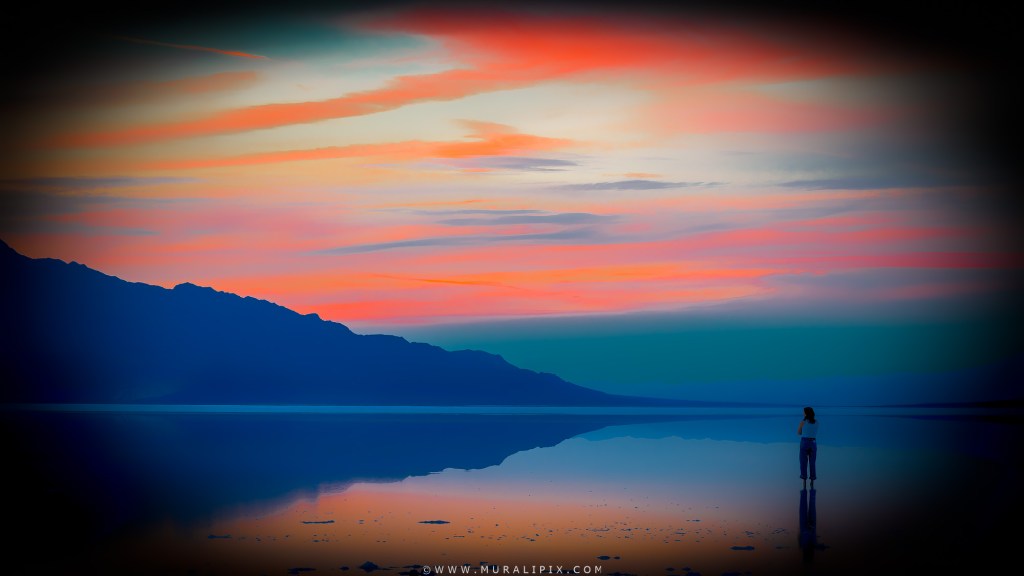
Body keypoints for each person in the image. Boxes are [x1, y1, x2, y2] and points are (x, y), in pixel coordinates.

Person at [797, 406, 818, 483]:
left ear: (806, 413)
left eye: (804, 412)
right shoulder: (816, 422)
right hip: (813, 442)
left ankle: (804, 480)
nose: (803, 413)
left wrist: (801, 426)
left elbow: (799, 433)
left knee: (803, 461)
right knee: (812, 462)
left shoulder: (802, 422)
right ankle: (812, 480)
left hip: (804, 442)